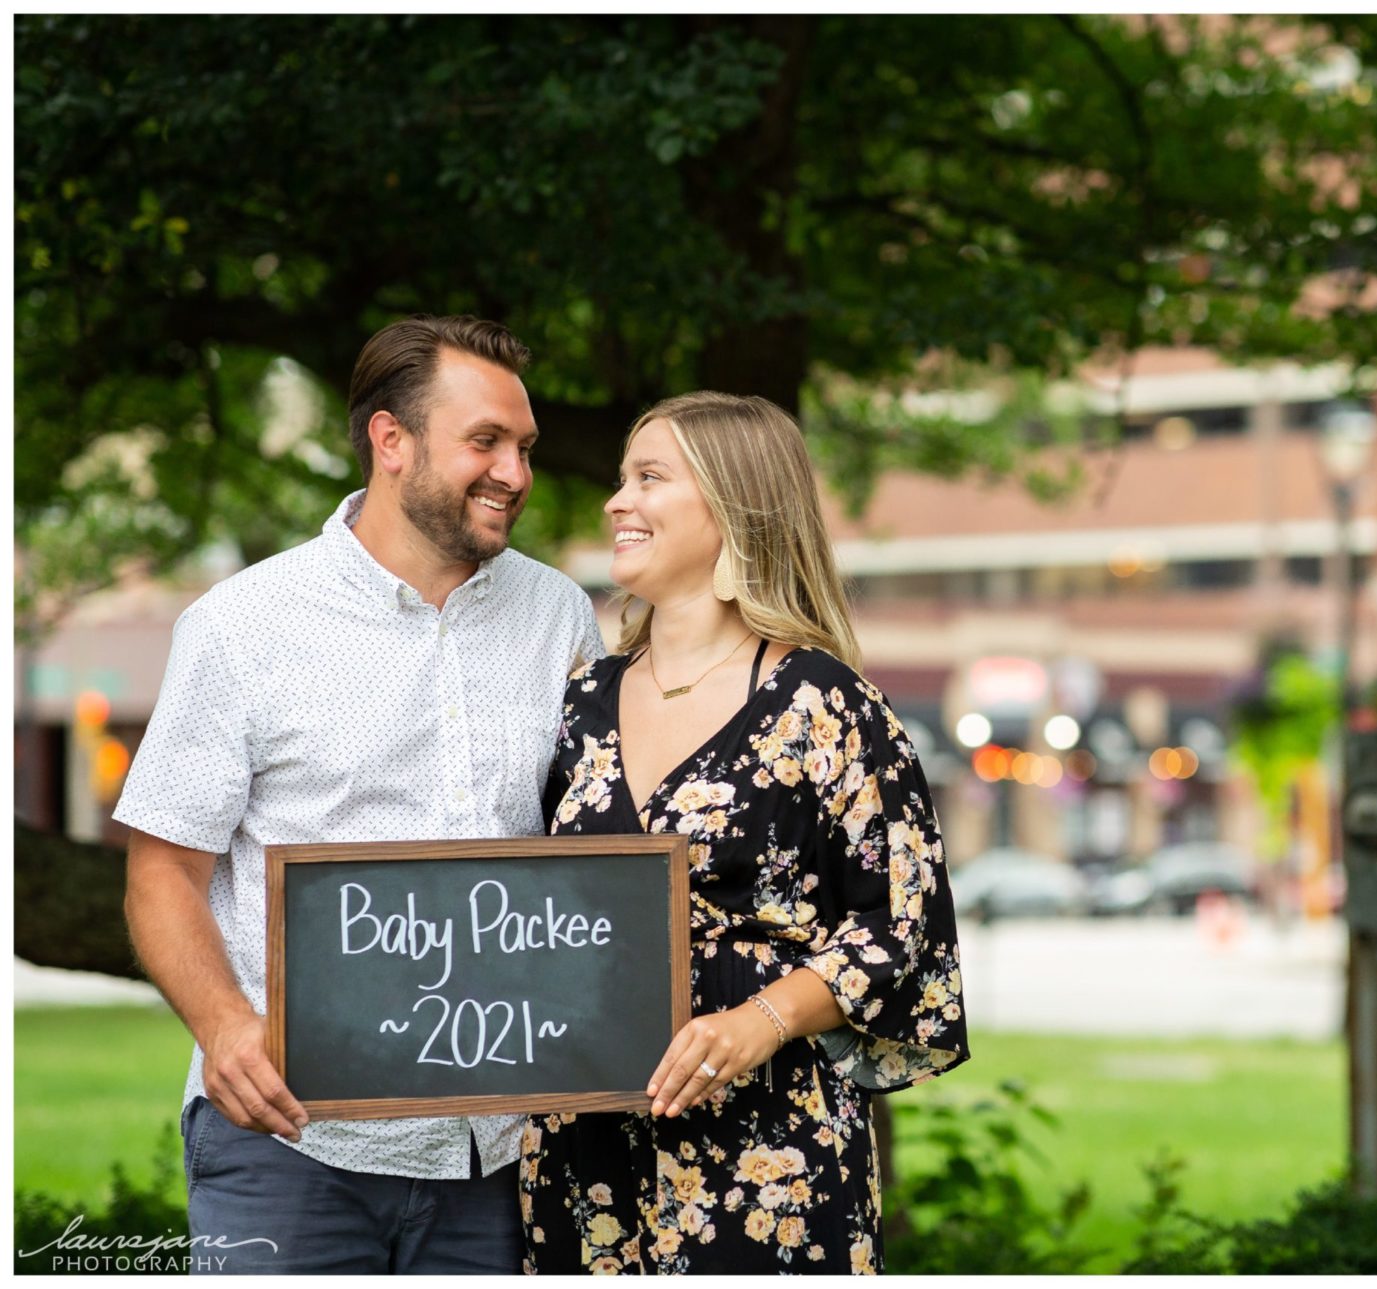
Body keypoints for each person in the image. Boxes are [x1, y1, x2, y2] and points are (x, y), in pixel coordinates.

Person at [116, 315, 605, 1274]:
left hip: (502, 1151)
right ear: (392, 441)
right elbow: (161, 871)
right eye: (485, 442)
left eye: (525, 446)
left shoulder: (561, 616)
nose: (515, 471)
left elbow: (591, 852)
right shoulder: (241, 627)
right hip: (293, 1146)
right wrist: (224, 1026)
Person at [522, 392, 969, 1274]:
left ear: (733, 505)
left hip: (771, 1148)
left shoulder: (822, 701)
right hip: (587, 1144)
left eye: (649, 477)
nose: (617, 501)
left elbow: (901, 925)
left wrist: (763, 1019)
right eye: (620, 478)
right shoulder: (580, 701)